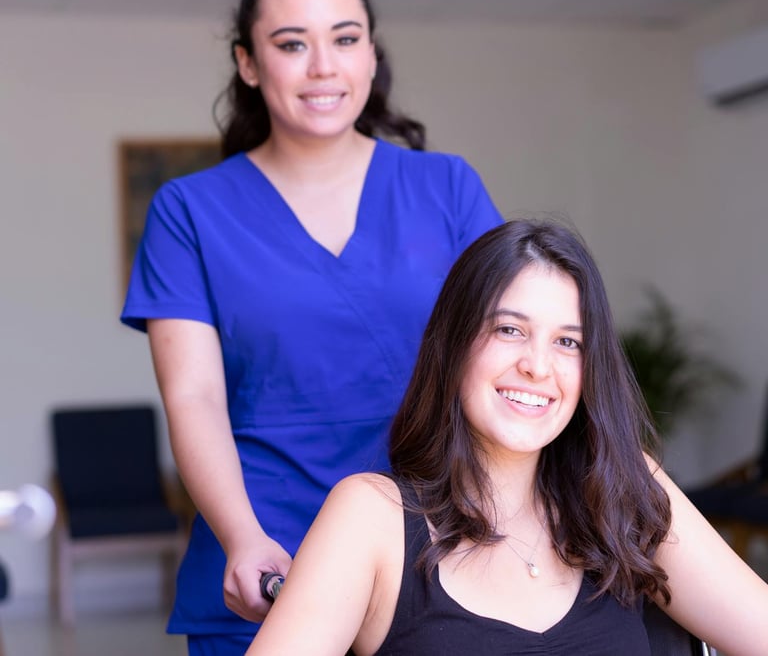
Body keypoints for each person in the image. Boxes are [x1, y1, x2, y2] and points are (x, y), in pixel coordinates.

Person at [120, 0, 502, 656]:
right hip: (267, 564)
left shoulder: (447, 189)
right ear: (248, 63)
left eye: (346, 39)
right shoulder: (189, 212)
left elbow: (507, 361)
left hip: (437, 554)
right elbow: (193, 397)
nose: (324, 66)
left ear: (370, 54)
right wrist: (241, 535)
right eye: (291, 43)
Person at [245, 219, 768, 656]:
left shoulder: (628, 489)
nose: (537, 366)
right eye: (509, 330)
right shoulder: (372, 516)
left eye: (568, 342)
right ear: (453, 346)